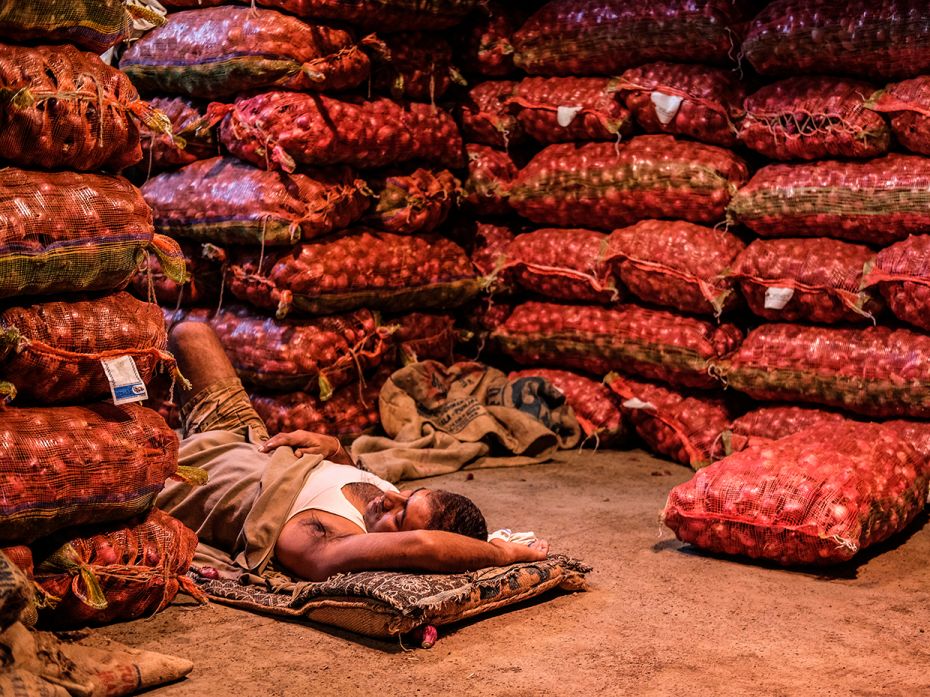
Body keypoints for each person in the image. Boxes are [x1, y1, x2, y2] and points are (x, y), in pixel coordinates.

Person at [157, 321, 549, 583]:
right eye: (408, 496)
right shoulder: (387, 498)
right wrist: (337, 451)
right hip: (243, 435)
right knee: (191, 334)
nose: (390, 499)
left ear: (398, 550)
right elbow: (394, 510)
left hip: (184, 470)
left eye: (400, 518)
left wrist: (502, 554)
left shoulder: (332, 541)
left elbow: (426, 545)